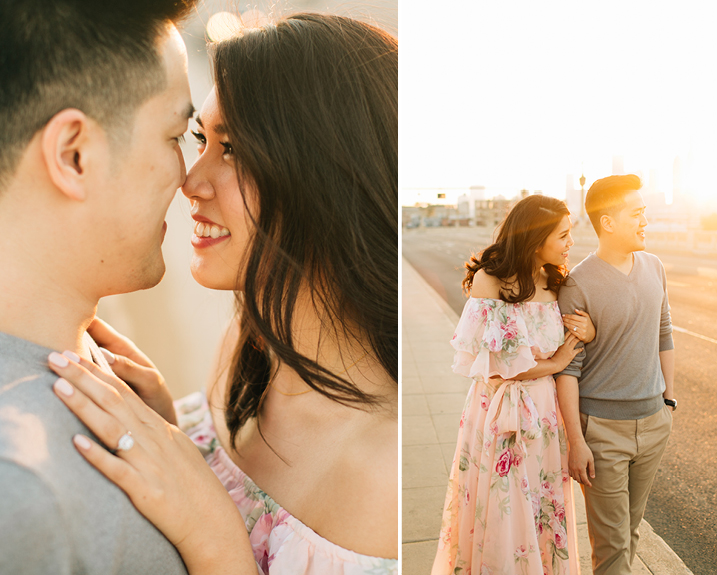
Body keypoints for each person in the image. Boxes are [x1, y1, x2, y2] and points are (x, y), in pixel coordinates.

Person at [46, 12, 398, 575]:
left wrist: (213, 537)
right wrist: (172, 432)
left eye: (232, 148)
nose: (191, 181)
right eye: (200, 140)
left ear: (329, 171)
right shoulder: (249, 342)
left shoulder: (390, 474)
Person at [0, 1, 200, 573]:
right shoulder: (21, 494)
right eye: (175, 134)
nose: (187, 179)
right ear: (75, 155)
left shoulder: (86, 363)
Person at [431, 195, 596, 575]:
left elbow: (578, 335)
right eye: (563, 235)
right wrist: (554, 363)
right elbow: (494, 366)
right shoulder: (490, 279)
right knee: (503, 506)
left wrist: (588, 330)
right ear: (536, 239)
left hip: (545, 413)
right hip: (498, 412)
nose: (571, 242)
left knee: (541, 505)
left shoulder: (556, 280)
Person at [555, 174, 675, 575]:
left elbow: (664, 334)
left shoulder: (654, 266)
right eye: (638, 214)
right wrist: (577, 441)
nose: (646, 222)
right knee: (611, 547)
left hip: (654, 421)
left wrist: (667, 401)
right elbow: (568, 369)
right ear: (608, 222)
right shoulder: (577, 283)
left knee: (632, 531)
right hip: (602, 430)